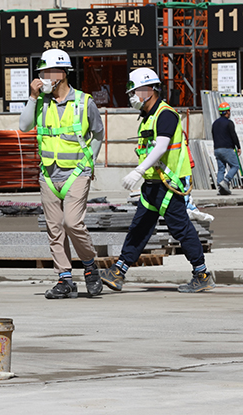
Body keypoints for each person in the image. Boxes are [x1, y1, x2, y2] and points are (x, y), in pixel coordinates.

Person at [99, 68, 214, 294]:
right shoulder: (147, 116)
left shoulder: (165, 114)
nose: (132, 96)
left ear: (149, 90)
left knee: (180, 229)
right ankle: (118, 272)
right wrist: (143, 175)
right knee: (139, 228)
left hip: (168, 184)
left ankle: (201, 274)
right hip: (153, 184)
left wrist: (138, 171)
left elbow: (161, 146)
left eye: (135, 91)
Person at [19, 48, 105, 299]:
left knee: (72, 222)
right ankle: (64, 278)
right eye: (41, 73)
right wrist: (33, 97)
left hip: (76, 173)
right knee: (54, 227)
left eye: (47, 72)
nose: (42, 77)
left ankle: (89, 266)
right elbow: (24, 126)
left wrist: (91, 162)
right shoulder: (41, 103)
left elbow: (98, 133)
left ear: (61, 73)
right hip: (48, 174)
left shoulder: (83, 102)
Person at [212, 102, 241, 195]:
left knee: (221, 169)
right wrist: (238, 147)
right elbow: (233, 135)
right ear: (227, 112)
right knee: (235, 166)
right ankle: (226, 180)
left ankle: (221, 189)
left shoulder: (215, 123)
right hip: (227, 149)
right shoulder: (229, 123)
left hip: (217, 149)